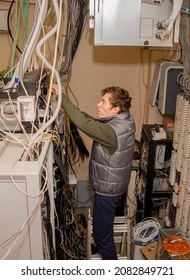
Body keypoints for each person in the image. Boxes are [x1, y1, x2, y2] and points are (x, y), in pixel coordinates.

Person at [52, 84, 135, 260]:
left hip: (107, 192)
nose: (98, 104)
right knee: (102, 233)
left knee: (102, 238)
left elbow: (83, 123)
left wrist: (61, 97)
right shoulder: (125, 121)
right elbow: (90, 122)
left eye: (104, 102)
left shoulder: (111, 132)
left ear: (116, 108)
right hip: (112, 187)